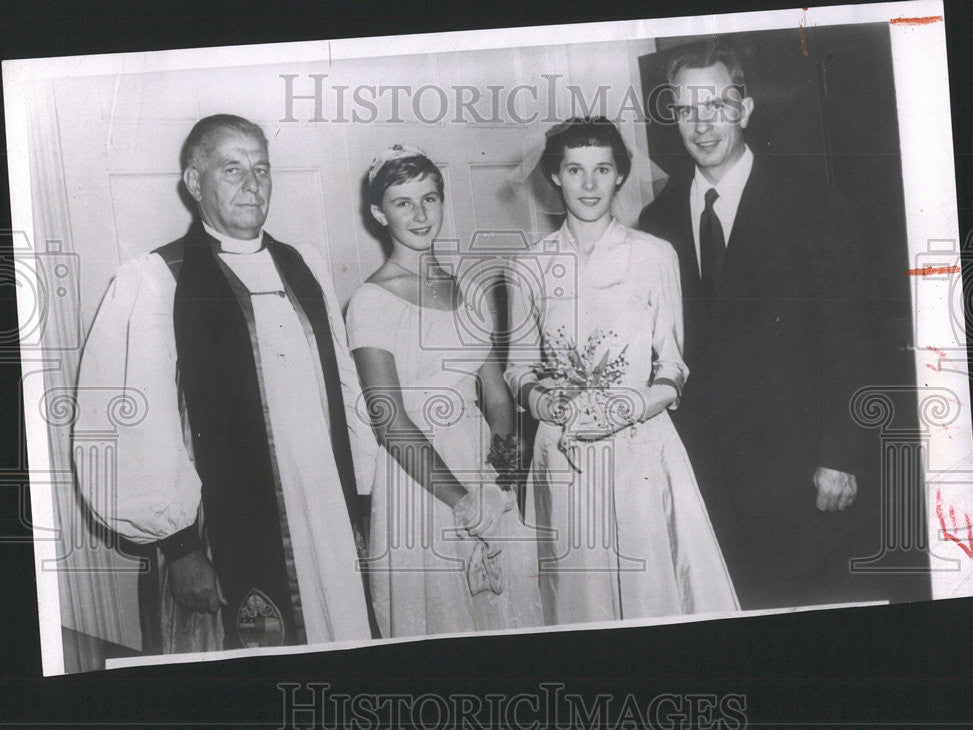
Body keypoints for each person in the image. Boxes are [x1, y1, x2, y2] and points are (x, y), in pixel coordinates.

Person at [74, 114, 377, 651]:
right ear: (194, 182)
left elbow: (347, 392)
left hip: (327, 516)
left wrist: (364, 498)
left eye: (261, 168)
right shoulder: (155, 279)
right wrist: (181, 547)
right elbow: (134, 421)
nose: (252, 184)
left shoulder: (303, 266)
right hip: (221, 536)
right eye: (231, 168)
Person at [637, 41, 878, 609]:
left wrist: (842, 454)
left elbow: (851, 336)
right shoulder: (656, 222)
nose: (702, 124)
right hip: (707, 479)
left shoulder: (813, 202)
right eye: (686, 108)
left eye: (717, 105)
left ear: (745, 110)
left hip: (801, 475)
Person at [505, 117, 739, 625]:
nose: (588, 184)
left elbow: (673, 365)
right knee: (578, 597)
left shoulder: (655, 255)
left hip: (640, 449)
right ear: (555, 177)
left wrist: (630, 406)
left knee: (652, 586)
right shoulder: (528, 267)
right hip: (563, 454)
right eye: (574, 170)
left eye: (602, 169)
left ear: (618, 176)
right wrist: (544, 401)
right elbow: (517, 368)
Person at [346, 145, 543, 637]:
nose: (419, 214)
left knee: (507, 608)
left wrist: (499, 480)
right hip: (423, 480)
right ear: (378, 213)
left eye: (429, 199)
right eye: (402, 202)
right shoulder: (369, 301)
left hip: (482, 466)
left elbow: (495, 393)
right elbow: (390, 423)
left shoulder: (469, 290)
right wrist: (464, 502)